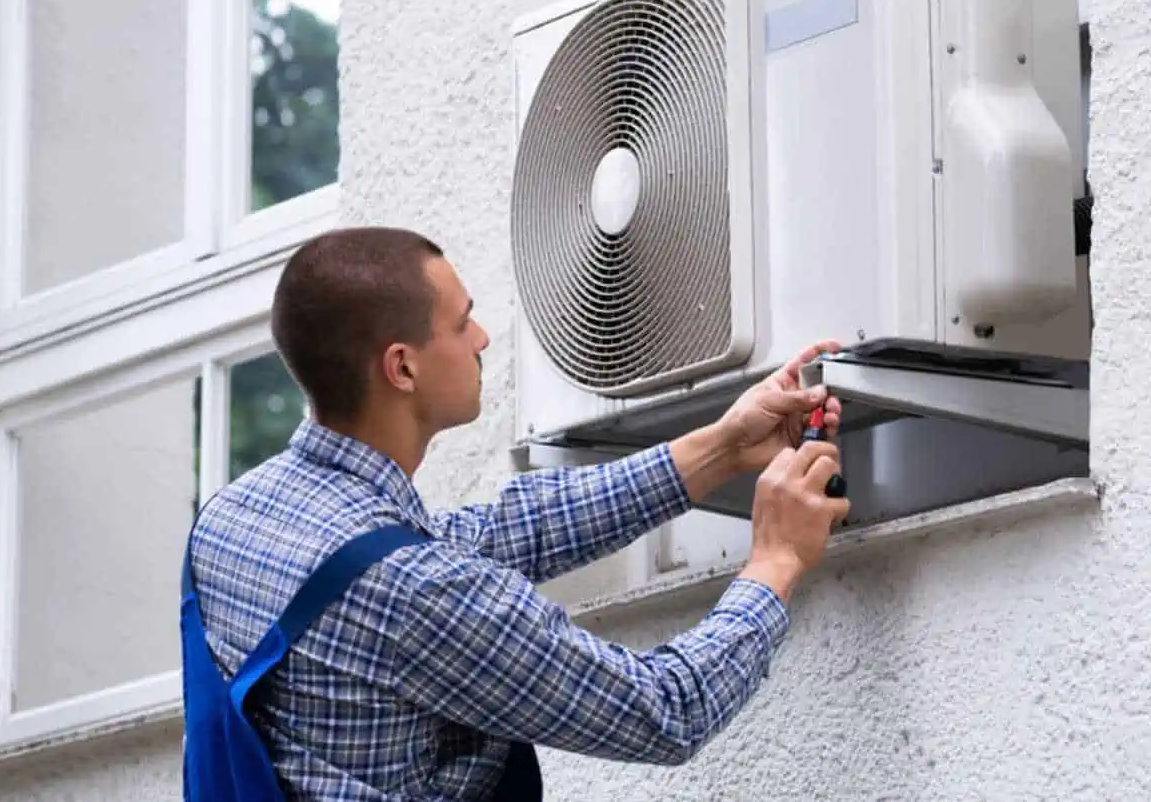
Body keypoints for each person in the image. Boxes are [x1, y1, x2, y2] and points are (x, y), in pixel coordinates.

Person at [184, 226, 850, 800]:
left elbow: (494, 535)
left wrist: (720, 447)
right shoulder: (417, 593)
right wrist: (776, 560)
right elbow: (665, 710)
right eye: (460, 321)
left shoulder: (234, 519)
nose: (481, 338)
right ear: (402, 368)